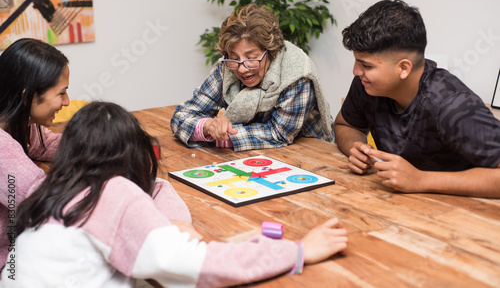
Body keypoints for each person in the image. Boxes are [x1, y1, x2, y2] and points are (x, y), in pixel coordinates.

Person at [2, 101, 348, 287]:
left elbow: (156, 189)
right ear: (133, 153)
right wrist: (300, 250)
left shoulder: (53, 187)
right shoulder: (113, 193)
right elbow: (205, 269)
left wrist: (174, 228)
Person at [334, 0, 500, 198]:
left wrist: (421, 180)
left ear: (403, 68)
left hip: (463, 214)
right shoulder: (367, 85)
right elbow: (346, 125)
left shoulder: (453, 105)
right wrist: (356, 148)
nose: (356, 71)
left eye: (366, 65)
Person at [171, 4, 334, 151]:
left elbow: (278, 134)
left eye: (251, 57)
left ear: (270, 51)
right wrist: (207, 126)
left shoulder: (298, 73)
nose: (241, 68)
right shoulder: (227, 66)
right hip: (252, 156)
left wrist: (225, 135)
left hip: (310, 154)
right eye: (234, 58)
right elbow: (182, 115)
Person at [0, 38, 70, 271]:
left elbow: (47, 144)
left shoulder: (17, 125)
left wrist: (99, 143)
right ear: (27, 95)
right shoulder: (3, 149)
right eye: (61, 93)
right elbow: (47, 203)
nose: (67, 102)